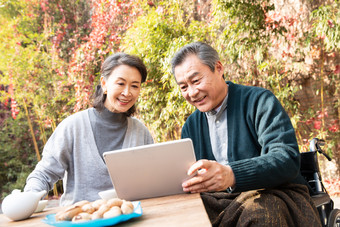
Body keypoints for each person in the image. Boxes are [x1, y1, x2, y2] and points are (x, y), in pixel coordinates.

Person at [171, 42, 321, 226]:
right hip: (222, 202)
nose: (192, 93)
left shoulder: (259, 102)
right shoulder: (190, 126)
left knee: (260, 212)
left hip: (275, 193)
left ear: (218, 68)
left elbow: (286, 159)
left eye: (196, 81)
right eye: (184, 87)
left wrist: (231, 174)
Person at [24, 53, 154, 206]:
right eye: (120, 83)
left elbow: (151, 180)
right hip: (79, 219)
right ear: (104, 84)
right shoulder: (73, 126)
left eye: (134, 86)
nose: (127, 92)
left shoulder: (141, 132)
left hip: (128, 217)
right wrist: (28, 200)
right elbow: (44, 173)